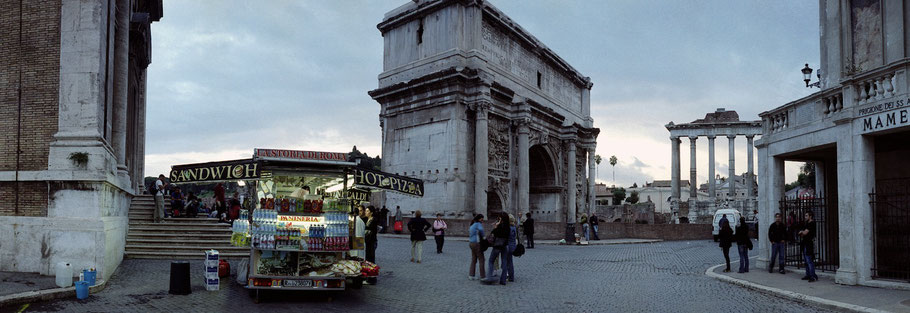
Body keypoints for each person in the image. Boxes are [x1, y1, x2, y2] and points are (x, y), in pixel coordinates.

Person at [484, 213, 510, 285]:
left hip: (497, 246)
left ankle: (489, 278)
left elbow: (493, 233)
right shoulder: (508, 227)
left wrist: (496, 226)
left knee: (491, 261)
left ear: (501, 219)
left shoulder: (499, 227)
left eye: (499, 218)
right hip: (504, 245)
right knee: (504, 262)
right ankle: (503, 280)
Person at [799, 211, 818, 282]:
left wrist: (801, 232)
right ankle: (808, 274)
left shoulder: (811, 223)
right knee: (806, 261)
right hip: (805, 243)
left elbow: (805, 232)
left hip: (809, 243)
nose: (805, 217)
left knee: (809, 260)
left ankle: (813, 276)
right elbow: (803, 234)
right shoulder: (807, 224)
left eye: (806, 216)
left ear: (810, 216)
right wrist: (802, 233)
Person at [468, 214, 486, 281]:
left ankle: (471, 275)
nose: (482, 220)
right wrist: (484, 237)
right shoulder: (478, 224)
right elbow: (481, 230)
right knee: (482, 259)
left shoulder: (472, 224)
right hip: (476, 243)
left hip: (471, 243)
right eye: (482, 218)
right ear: (479, 219)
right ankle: (483, 276)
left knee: (474, 259)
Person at [505, 214, 517, 282]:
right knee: (510, 262)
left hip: (507, 246)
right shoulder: (514, 227)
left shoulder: (508, 228)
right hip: (513, 246)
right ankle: (511, 277)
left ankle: (506, 275)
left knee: (505, 262)